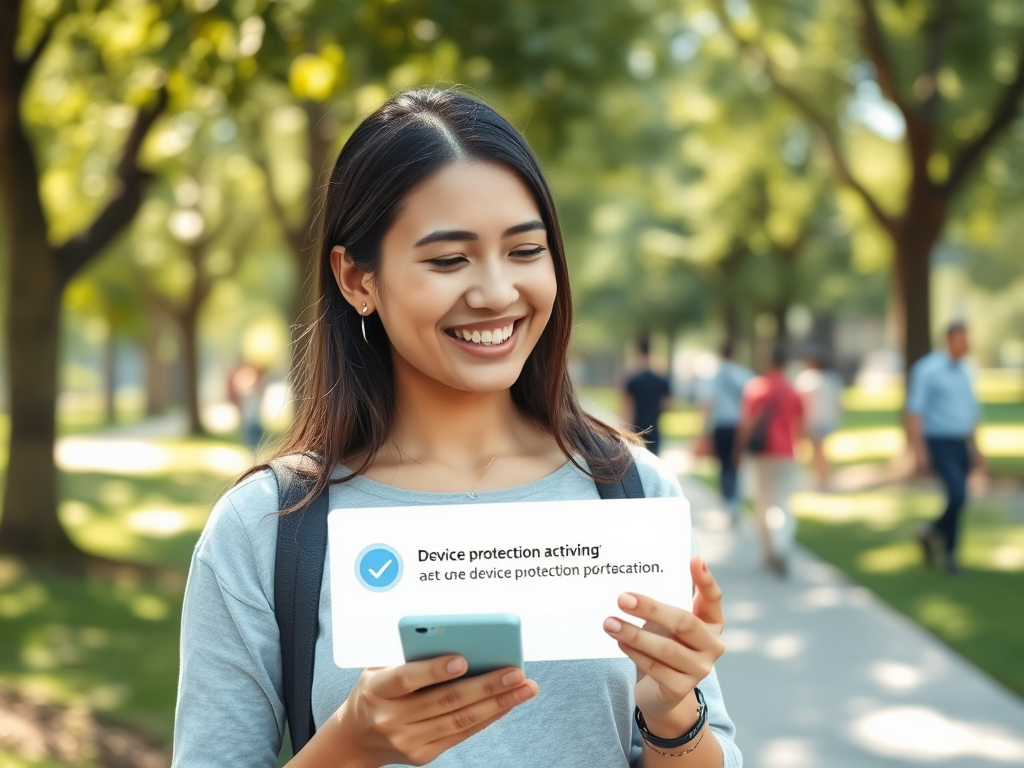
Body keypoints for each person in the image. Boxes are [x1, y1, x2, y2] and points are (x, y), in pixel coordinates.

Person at [172, 90, 741, 768]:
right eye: (449, 261)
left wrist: (672, 709)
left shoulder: (633, 489)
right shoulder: (266, 527)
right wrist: (351, 745)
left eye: (525, 250)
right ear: (357, 277)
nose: (497, 292)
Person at [906, 321, 984, 576]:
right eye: (963, 338)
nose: (967, 344)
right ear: (950, 339)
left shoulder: (968, 371)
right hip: (938, 440)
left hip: (961, 441)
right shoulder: (928, 369)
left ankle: (944, 548)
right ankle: (937, 538)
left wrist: (978, 448)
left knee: (959, 499)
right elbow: (915, 411)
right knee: (957, 494)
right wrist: (918, 450)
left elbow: (970, 413)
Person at [734, 345, 804, 576]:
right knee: (782, 503)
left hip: (762, 454)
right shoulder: (792, 390)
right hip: (787, 453)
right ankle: (781, 544)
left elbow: (747, 423)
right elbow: (799, 424)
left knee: (763, 504)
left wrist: (739, 449)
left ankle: (769, 551)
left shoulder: (757, 388)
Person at [698, 342, 753, 523]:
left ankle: (729, 501)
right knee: (736, 463)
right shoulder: (745, 375)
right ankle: (735, 499)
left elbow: (707, 404)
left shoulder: (713, 377)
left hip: (721, 426)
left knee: (723, 465)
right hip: (740, 426)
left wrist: (702, 432)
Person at [793, 351, 843, 491]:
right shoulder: (833, 378)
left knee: (817, 451)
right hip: (825, 419)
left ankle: (821, 479)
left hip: (814, 420)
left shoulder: (807, 379)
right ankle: (822, 478)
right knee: (818, 450)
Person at [622, 337, 672, 455]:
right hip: (654, 424)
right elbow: (668, 404)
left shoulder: (633, 379)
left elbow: (627, 405)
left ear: (638, 353)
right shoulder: (660, 379)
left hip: (637, 426)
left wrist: (625, 426)